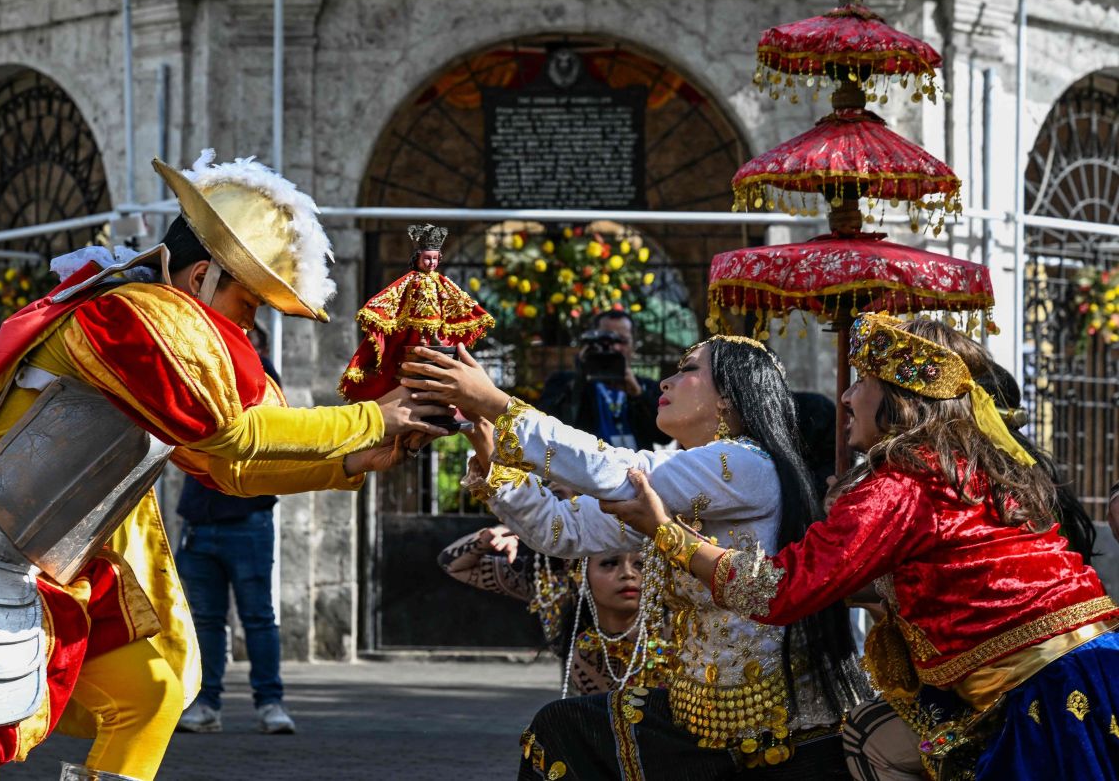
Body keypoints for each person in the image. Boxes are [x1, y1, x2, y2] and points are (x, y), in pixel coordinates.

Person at [0, 149, 446, 781]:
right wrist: (376, 419)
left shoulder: (151, 321)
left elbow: (230, 468)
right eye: (249, 301)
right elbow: (236, 441)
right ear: (201, 275)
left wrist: (369, 450)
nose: (251, 323)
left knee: (147, 695)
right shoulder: (130, 317)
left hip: (30, 565)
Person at [601, 313, 1119, 781]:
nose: (846, 398)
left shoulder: (901, 484)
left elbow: (778, 592)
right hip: (1093, 664)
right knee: (871, 733)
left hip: (1047, 695)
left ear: (898, 396)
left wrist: (663, 529)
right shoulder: (967, 467)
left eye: (863, 382)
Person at [403, 336, 867, 778]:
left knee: (564, 731)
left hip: (772, 729)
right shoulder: (683, 485)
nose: (664, 382)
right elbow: (561, 530)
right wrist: (489, 447)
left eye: (686, 370)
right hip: (704, 716)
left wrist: (501, 404)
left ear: (728, 397)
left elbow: (617, 471)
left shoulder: (746, 464)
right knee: (563, 729)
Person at [840, 349, 1098, 781]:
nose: (848, 397)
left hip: (1026, 687)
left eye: (864, 383)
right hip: (997, 679)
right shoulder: (961, 477)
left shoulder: (957, 484)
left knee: (872, 734)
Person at [173, 325, 293, 735]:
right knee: (206, 619)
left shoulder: (262, 378)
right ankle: (206, 704)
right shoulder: (203, 373)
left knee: (257, 616)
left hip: (247, 521)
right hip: (200, 522)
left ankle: (270, 703)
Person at [438, 522, 666, 695]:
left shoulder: (678, 609)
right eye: (609, 563)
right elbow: (453, 564)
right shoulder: (546, 580)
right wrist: (490, 536)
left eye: (641, 564)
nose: (628, 574)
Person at [339, 223, 492, 402]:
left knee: (433, 329)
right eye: (427, 258)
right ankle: (421, 339)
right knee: (419, 336)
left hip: (435, 313)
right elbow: (394, 292)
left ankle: (433, 338)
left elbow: (452, 293)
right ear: (417, 258)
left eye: (435, 259)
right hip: (416, 314)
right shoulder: (411, 280)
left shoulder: (438, 280)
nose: (431, 263)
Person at [539, 310, 666, 451]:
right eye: (606, 340)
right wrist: (581, 374)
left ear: (633, 345)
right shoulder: (564, 382)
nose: (615, 347)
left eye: (622, 341)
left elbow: (663, 436)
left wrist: (639, 395)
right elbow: (548, 427)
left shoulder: (646, 386)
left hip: (638, 470)